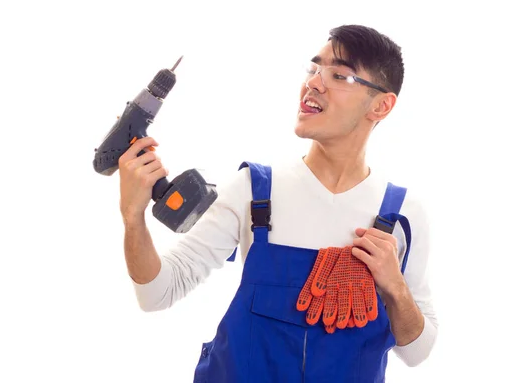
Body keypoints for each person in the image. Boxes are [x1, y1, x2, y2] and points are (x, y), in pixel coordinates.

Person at [118, 24, 438, 382]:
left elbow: (416, 351)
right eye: (314, 69)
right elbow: (158, 292)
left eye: (339, 75)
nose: (314, 82)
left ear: (381, 105)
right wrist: (134, 219)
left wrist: (393, 286)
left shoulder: (401, 217)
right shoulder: (255, 193)